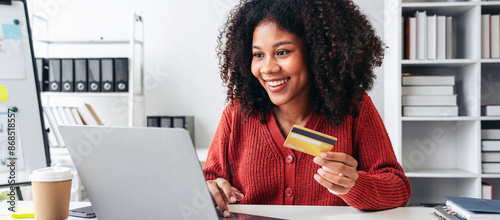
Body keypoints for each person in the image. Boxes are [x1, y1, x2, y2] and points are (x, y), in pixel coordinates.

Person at [203, 0, 411, 217]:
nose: (268, 68)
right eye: (258, 55)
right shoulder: (238, 112)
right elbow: (207, 184)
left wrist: (356, 184)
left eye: (282, 52)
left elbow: (399, 189)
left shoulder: (354, 108)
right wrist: (210, 189)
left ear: (316, 52)